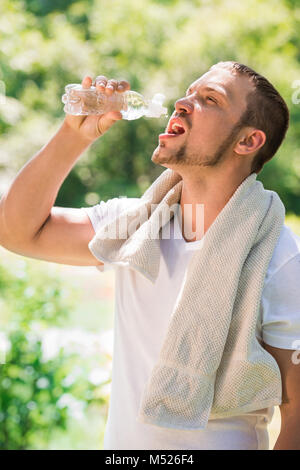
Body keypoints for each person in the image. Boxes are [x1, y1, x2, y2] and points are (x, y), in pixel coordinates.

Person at [0, 61, 299, 450]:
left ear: (247, 141)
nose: (182, 103)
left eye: (209, 99)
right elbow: (16, 231)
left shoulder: (276, 253)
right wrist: (73, 135)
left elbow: (297, 411)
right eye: (188, 92)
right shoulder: (134, 225)